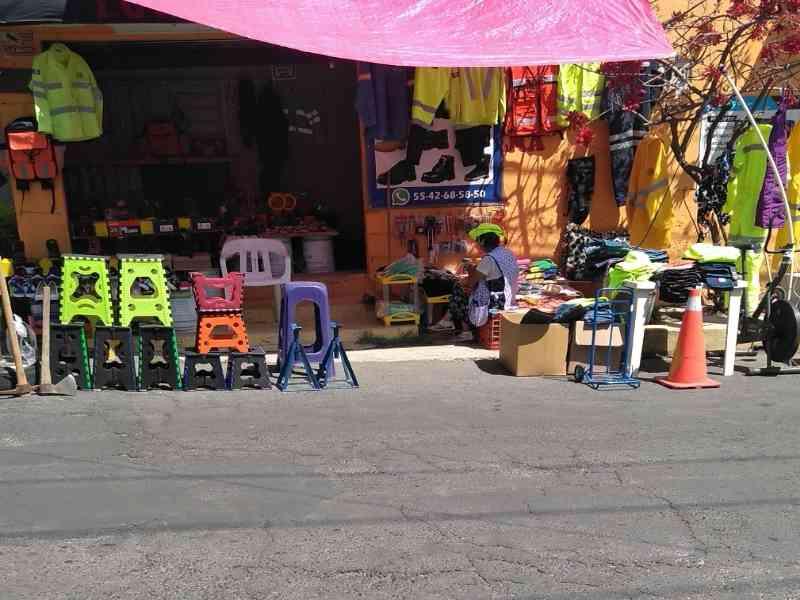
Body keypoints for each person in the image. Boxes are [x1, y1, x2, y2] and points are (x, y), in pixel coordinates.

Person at [432, 223, 518, 341]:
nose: (477, 245)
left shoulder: (489, 259)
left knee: (460, 290)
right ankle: (447, 319)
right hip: (508, 296)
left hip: (496, 301)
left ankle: (464, 330)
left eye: (477, 241)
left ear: (482, 242)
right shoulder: (507, 253)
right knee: (463, 288)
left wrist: (469, 271)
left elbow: (472, 282)